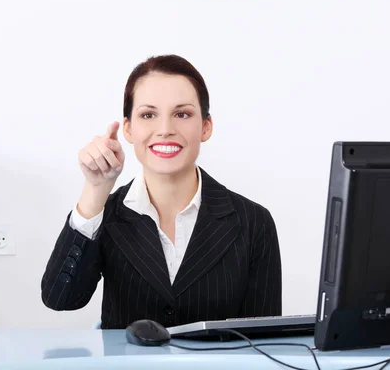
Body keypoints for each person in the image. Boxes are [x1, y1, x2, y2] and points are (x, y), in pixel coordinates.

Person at [41, 54, 282, 329]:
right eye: (148, 115)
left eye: (182, 114)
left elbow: (266, 342)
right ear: (129, 129)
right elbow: (60, 298)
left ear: (206, 126)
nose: (165, 130)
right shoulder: (106, 214)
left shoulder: (253, 222)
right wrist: (96, 189)